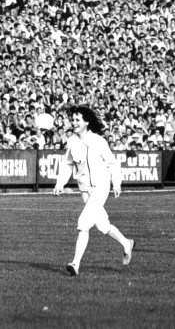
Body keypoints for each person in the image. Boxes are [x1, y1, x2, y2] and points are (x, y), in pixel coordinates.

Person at [54, 105, 135, 276]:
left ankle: (75, 263)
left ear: (86, 122)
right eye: (73, 120)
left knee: (83, 223)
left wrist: (117, 183)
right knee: (103, 226)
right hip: (84, 189)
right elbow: (68, 164)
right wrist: (60, 183)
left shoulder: (98, 141)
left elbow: (112, 162)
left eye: (77, 120)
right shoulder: (72, 142)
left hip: (100, 187)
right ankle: (127, 244)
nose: (74, 123)